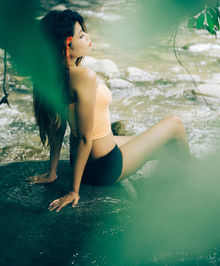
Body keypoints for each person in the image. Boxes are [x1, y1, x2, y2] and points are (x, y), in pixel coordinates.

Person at [26, 9, 190, 212]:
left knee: (164, 145)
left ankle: (179, 179)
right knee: (175, 124)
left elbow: (58, 129)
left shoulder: (55, 77)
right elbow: (86, 138)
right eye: (81, 35)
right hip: (104, 166)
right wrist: (73, 191)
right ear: (65, 47)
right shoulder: (83, 77)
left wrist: (52, 173)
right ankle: (191, 185)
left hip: (88, 161)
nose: (88, 37)